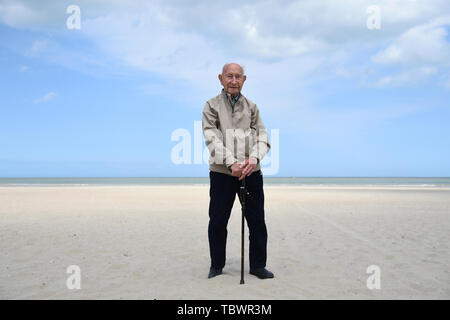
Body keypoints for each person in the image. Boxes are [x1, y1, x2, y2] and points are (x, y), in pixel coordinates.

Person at [202, 62, 274, 280]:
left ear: (244, 80)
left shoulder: (252, 107)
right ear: (220, 78)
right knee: (217, 221)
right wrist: (231, 162)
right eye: (229, 76)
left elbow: (262, 136)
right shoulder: (211, 105)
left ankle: (258, 266)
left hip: (251, 171)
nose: (234, 80)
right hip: (222, 173)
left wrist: (254, 158)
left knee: (257, 222)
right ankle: (217, 265)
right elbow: (211, 136)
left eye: (238, 76)